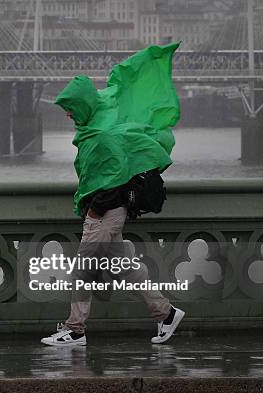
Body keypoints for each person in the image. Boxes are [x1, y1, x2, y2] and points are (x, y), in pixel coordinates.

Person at [41, 43, 185, 347]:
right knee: (126, 269)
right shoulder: (97, 121)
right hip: (110, 212)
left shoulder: (102, 135)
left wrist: (95, 210)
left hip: (105, 213)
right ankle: (166, 313)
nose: (67, 113)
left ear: (82, 104)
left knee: (82, 270)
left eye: (69, 107)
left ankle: (75, 329)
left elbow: (114, 176)